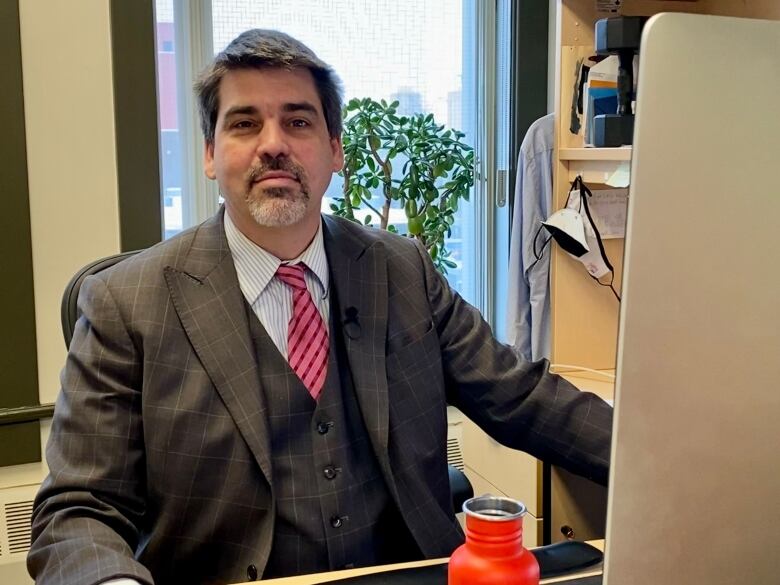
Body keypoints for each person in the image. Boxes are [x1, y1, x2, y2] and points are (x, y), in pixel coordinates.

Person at [28, 29, 612, 585]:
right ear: (209, 153)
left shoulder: (400, 270)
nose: (274, 143)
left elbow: (522, 397)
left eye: (298, 120)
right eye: (244, 123)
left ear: (334, 150)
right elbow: (79, 510)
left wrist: (665, 460)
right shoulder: (126, 303)